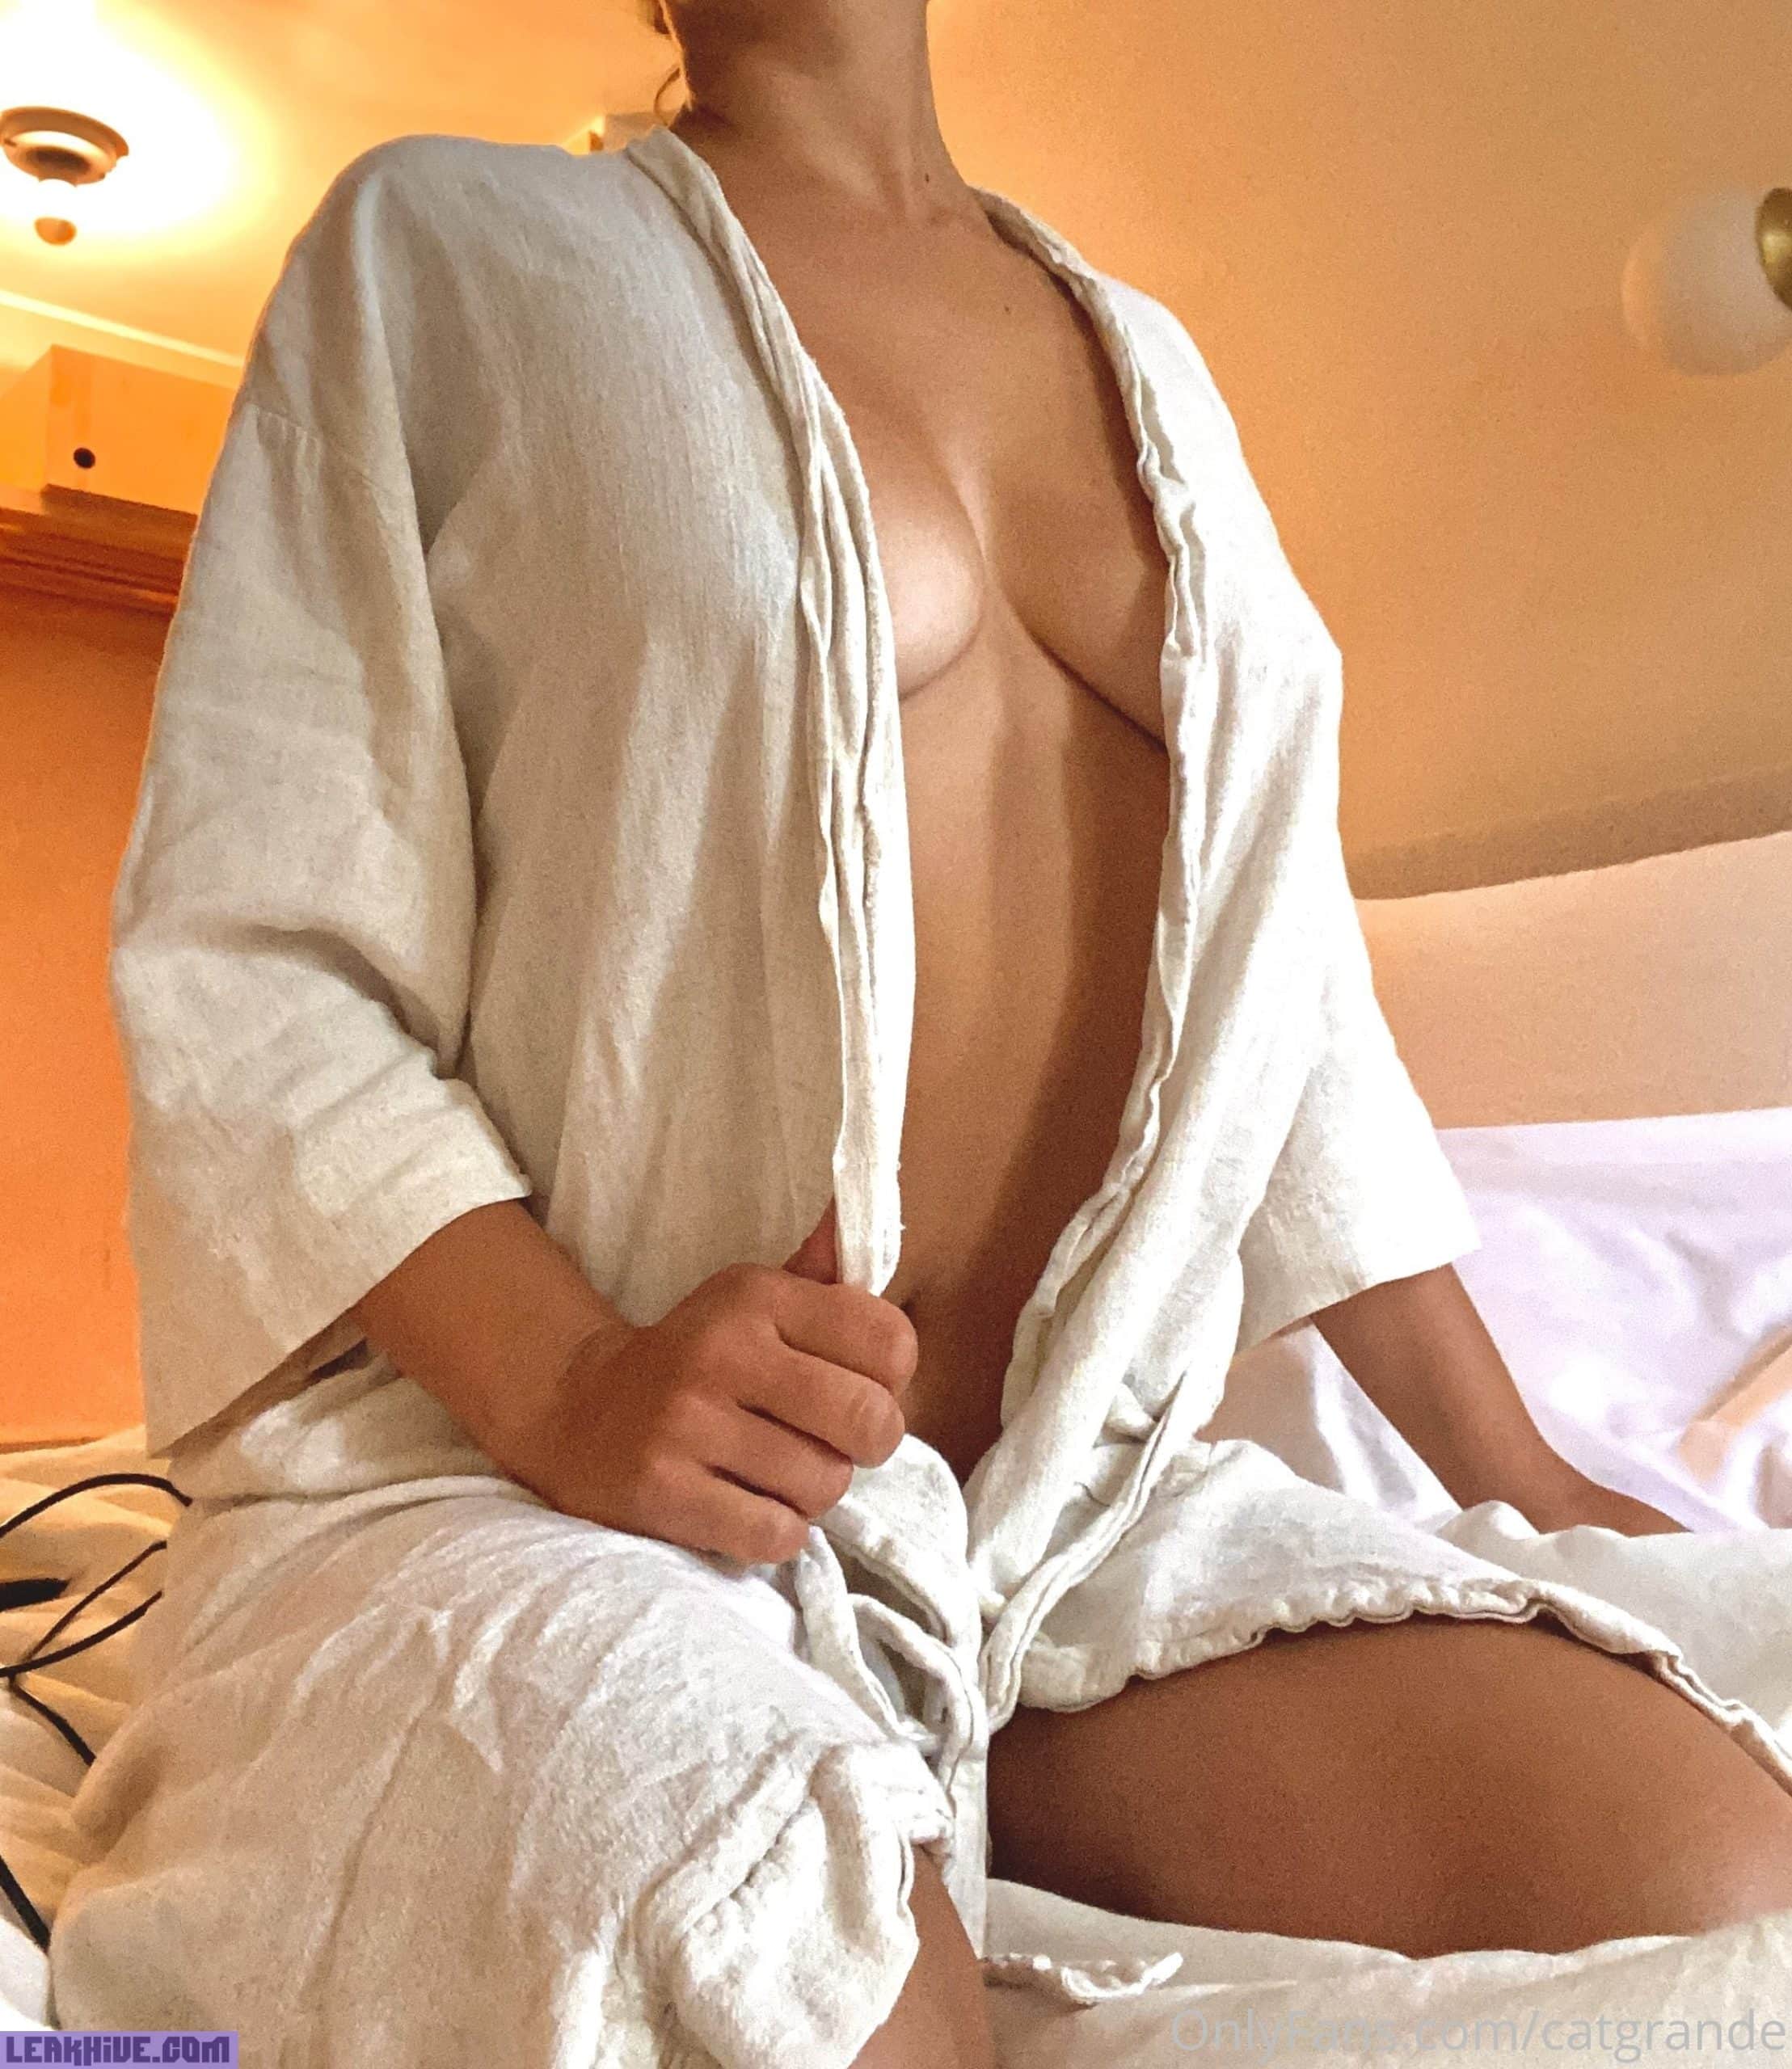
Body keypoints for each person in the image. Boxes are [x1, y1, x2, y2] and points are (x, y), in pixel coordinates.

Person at [50, 2, 1792, 2063]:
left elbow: (1278, 1010)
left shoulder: (1155, 366)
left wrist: (1517, 1475)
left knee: (1720, 1875)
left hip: (1053, 1529)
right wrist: (574, 1377)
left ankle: (950, 1769)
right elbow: (259, 949)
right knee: (787, 1976)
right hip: (541, 1483)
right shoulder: (443, 251)